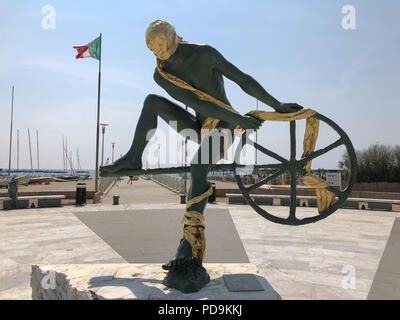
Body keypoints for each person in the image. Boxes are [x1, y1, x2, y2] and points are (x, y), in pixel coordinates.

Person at [101, 20, 303, 292]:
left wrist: (275, 106)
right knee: (152, 102)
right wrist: (238, 116)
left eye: (160, 45)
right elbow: (196, 103)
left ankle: (189, 243)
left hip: (225, 126)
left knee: (198, 165)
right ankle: (135, 157)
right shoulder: (161, 73)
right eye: (151, 49)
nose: (158, 53)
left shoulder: (205, 53)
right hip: (201, 126)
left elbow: (242, 79)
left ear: (173, 37)